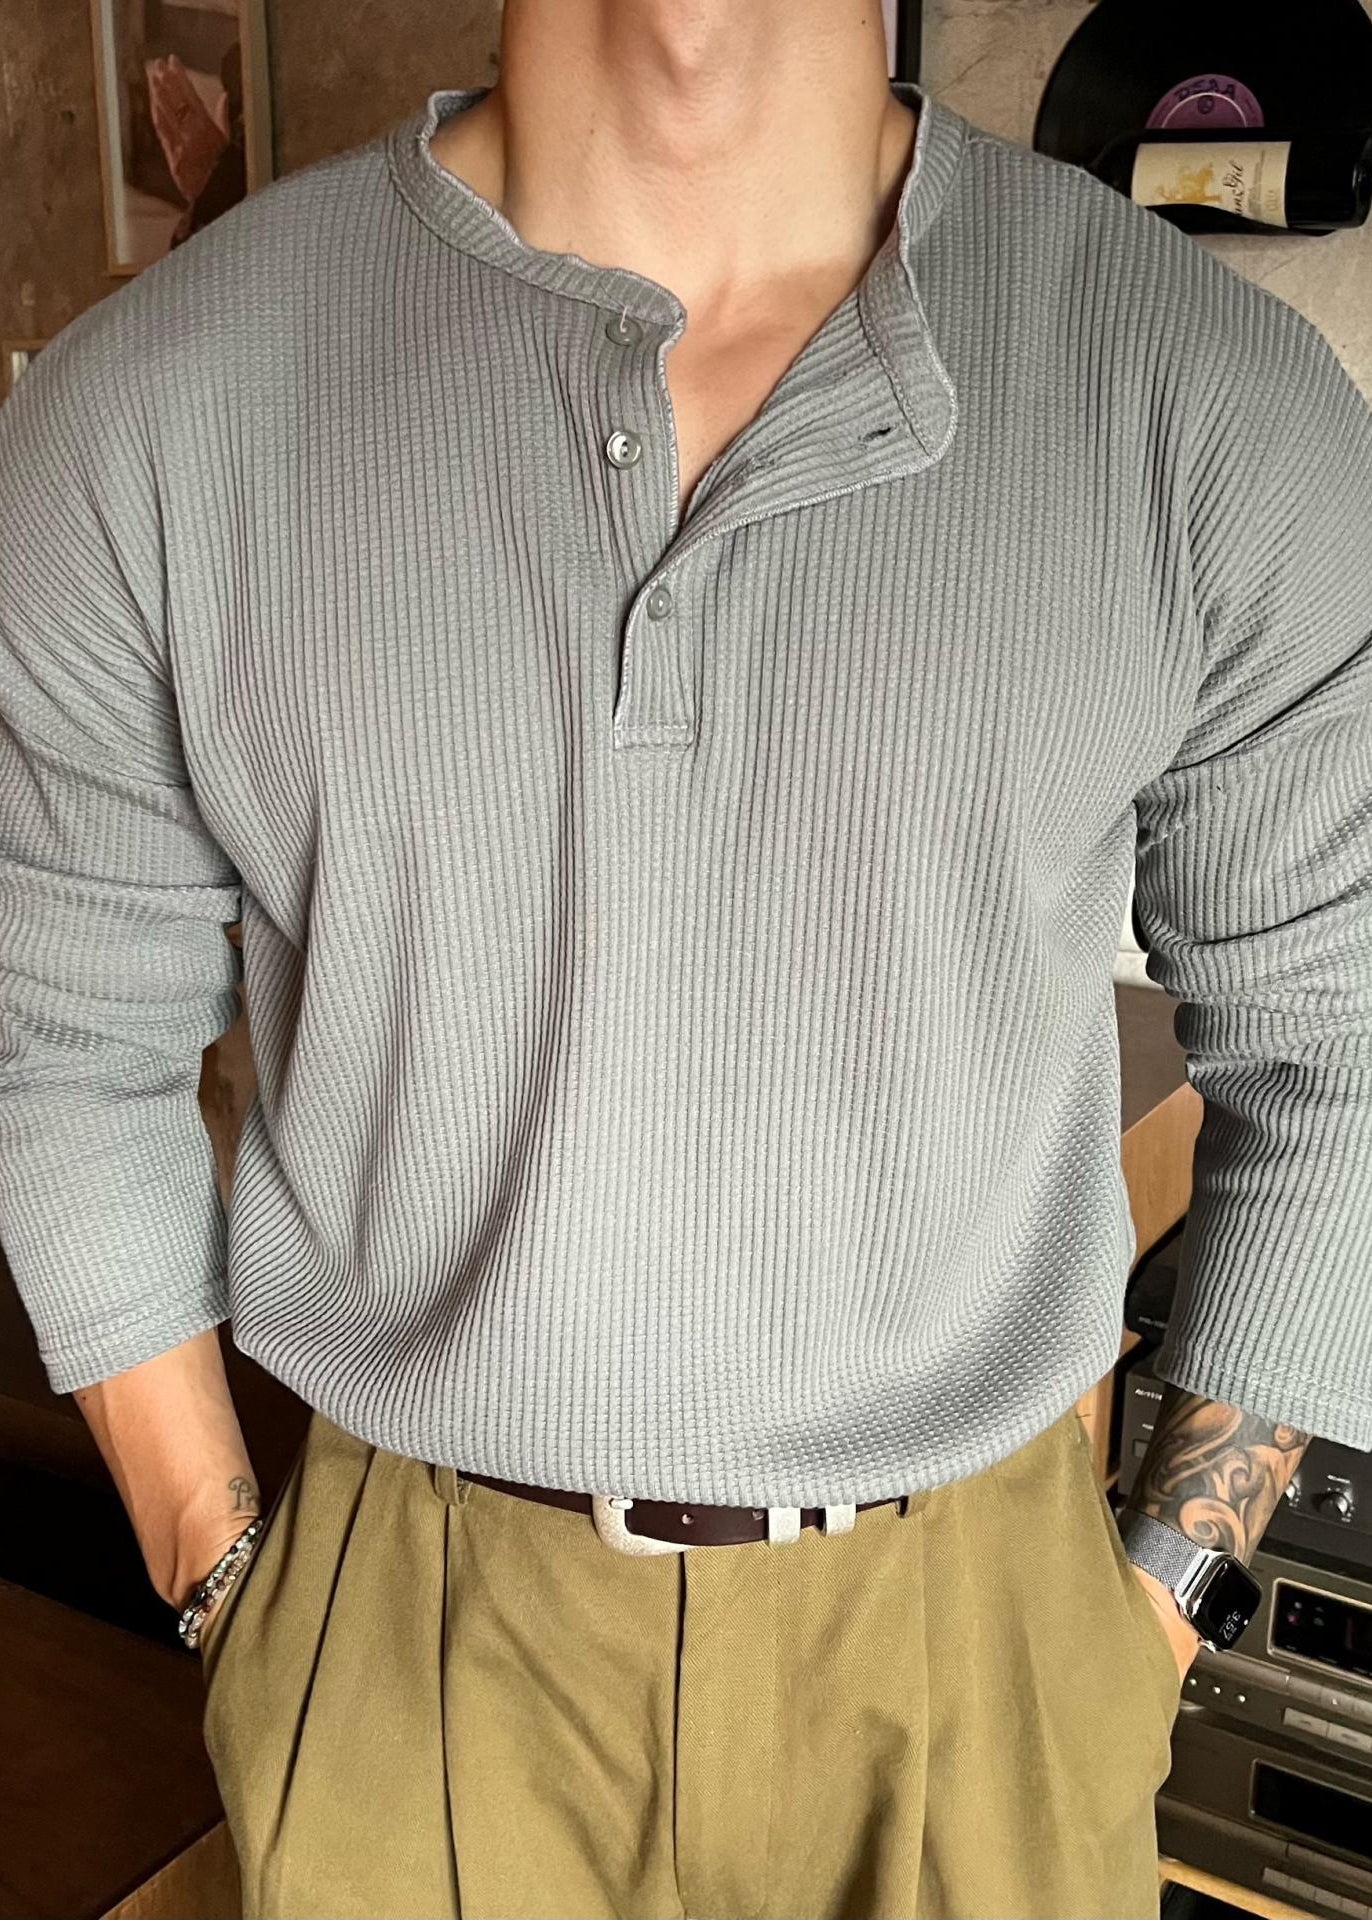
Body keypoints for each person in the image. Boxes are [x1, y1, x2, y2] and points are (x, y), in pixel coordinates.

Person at [1, 3, 1369, 1916]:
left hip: (985, 1661)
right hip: (409, 1654)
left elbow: (1341, 1063)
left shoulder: (1216, 404)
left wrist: (1139, 1629)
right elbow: (62, 1043)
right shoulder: (148, 408)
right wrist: (235, 1593)